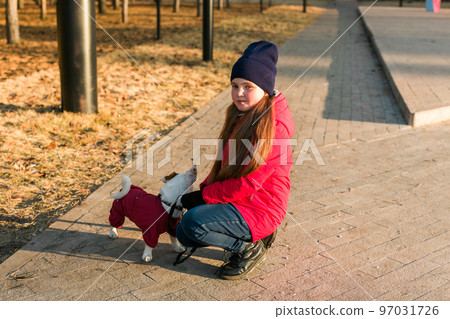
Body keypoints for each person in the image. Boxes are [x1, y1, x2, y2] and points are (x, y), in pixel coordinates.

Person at [176, 40, 295, 280]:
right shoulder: (242, 114)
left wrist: (204, 197)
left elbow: (249, 184)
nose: (239, 93)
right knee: (183, 232)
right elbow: (223, 161)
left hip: (261, 206)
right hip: (239, 200)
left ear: (265, 88)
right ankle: (251, 235)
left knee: (194, 224)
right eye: (235, 85)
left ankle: (249, 248)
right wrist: (205, 190)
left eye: (247, 86)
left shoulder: (274, 128)